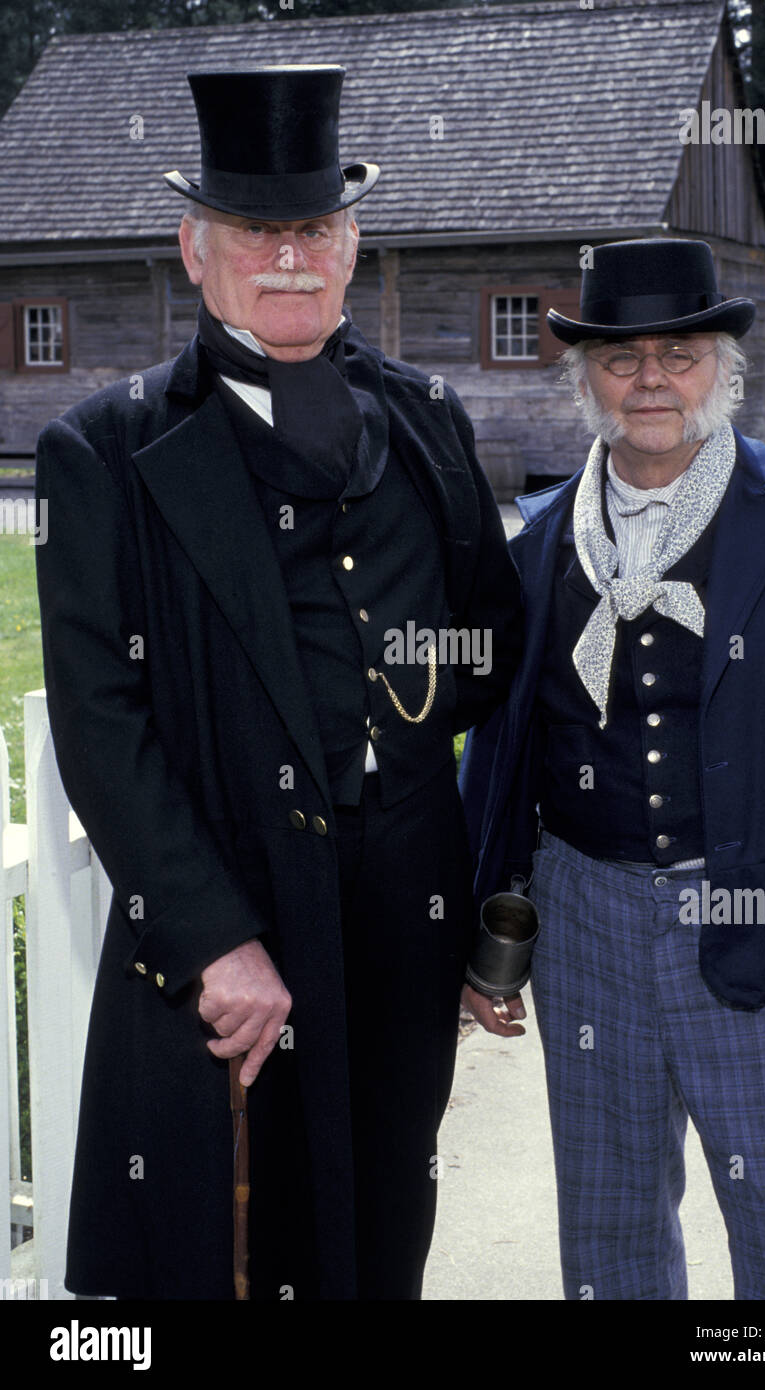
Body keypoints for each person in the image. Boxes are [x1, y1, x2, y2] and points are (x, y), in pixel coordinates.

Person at [35, 65, 521, 1301]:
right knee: (227, 1242)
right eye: (256, 230)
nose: (288, 257)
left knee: (383, 1205)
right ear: (196, 252)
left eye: (312, 227)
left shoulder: (424, 415)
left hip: (400, 903)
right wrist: (212, 937)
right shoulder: (106, 448)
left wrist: (402, 728)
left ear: (351, 245)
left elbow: (489, 641)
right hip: (230, 912)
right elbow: (101, 718)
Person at [460, 237, 765, 1300]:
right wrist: (481, 922)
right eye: (619, 358)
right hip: (584, 915)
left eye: (678, 354)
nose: (649, 379)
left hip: (763, 920)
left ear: (720, 369)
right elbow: (503, 747)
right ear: (585, 378)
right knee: (608, 1234)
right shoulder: (542, 536)